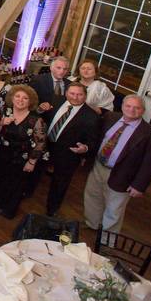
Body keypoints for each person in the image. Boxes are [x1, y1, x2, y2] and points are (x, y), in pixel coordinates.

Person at [84, 95, 151, 233]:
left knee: (114, 209)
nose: (131, 110)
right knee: (92, 196)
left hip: (123, 174)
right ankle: (92, 225)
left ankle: (107, 240)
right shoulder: (110, 118)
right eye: (128, 106)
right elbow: (97, 138)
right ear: (122, 106)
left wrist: (139, 186)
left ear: (143, 110)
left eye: (136, 108)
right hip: (98, 165)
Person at [0, 85, 47, 219]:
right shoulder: (6, 112)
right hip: (2, 153)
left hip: (20, 158)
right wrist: (2, 123)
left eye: (25, 98)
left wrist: (31, 162)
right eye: (17, 96)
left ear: (30, 101)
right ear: (12, 98)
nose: (20, 100)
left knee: (13, 184)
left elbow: (40, 143)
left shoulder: (36, 120)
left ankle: (4, 207)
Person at [45, 82, 101, 217]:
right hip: (45, 146)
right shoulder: (56, 100)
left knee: (60, 183)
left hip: (67, 154)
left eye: (80, 94)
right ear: (66, 93)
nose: (75, 97)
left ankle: (52, 210)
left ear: (85, 96)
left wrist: (85, 148)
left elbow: (93, 141)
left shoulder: (91, 117)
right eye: (72, 93)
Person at [32, 56, 72, 122]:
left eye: (65, 69)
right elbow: (29, 101)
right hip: (40, 119)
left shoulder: (70, 84)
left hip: (59, 121)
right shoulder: (38, 80)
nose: (62, 71)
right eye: (58, 68)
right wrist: (39, 109)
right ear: (51, 67)